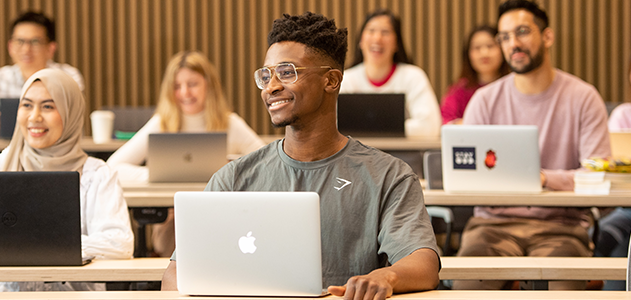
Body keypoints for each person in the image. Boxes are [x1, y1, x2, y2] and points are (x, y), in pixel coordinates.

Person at [161, 12, 440, 299]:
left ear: (331, 81)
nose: (271, 87)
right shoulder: (234, 177)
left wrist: (387, 276)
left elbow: (423, 263)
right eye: (266, 75)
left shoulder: (389, 175)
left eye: (287, 72)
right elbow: (176, 273)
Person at [452, 0, 611, 290]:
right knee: (467, 290)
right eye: (504, 37)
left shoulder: (584, 97)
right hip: (491, 227)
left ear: (547, 36)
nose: (513, 43)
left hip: (562, 228)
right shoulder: (485, 101)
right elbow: (468, 178)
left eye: (522, 32)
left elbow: (597, 176)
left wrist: (543, 178)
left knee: (564, 291)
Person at [0, 69, 133, 292]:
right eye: (26, 105)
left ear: (70, 113)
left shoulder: (96, 174)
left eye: (48, 106)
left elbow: (119, 243)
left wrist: (37, 243)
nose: (34, 116)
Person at [107, 51, 264, 257]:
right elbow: (111, 168)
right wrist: (157, 175)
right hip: (173, 222)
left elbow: (267, 164)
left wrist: (231, 169)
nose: (185, 93)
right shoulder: (161, 123)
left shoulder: (231, 123)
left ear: (209, 85)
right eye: (177, 86)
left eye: (192, 84)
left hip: (223, 218)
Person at [0, 11, 85, 143]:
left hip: (54, 155)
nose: (26, 49)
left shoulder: (68, 77)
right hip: (4, 158)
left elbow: (74, 127)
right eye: (20, 41)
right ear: (10, 47)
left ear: (51, 48)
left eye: (35, 42)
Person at [340, 9, 441, 137]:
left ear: (397, 43)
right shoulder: (346, 80)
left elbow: (430, 128)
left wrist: (371, 127)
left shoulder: (413, 77)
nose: (377, 38)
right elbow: (333, 128)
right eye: (371, 31)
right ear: (360, 40)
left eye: (385, 32)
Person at [593, 57, 631, 291]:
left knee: (621, 249)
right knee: (599, 237)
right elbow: (606, 168)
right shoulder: (623, 115)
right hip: (625, 206)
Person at [440, 25, 509, 125]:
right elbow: (445, 123)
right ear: (468, 55)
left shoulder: (515, 87)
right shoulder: (458, 91)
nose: (484, 53)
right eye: (477, 48)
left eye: (490, 46)